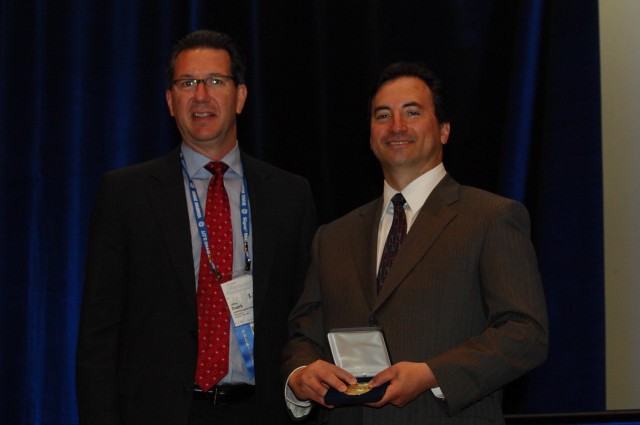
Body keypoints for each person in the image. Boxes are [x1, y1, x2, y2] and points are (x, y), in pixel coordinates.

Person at [282, 62, 548, 424]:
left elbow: (525, 334)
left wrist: (432, 374)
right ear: (370, 135)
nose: (397, 127)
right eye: (383, 115)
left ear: (443, 130)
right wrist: (301, 374)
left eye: (412, 112)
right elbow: (304, 336)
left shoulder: (491, 217)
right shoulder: (333, 236)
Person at [76, 30, 317, 425]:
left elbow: (305, 319)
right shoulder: (126, 194)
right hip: (157, 412)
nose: (201, 96)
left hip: (261, 411)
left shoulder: (290, 195)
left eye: (216, 81)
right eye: (187, 83)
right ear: (170, 101)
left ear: (240, 96)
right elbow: (98, 334)